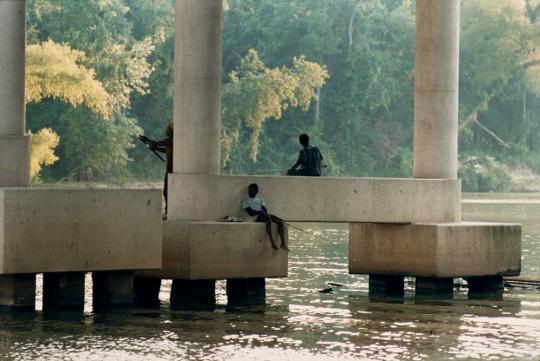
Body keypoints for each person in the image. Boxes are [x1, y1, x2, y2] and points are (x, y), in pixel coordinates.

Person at [138, 122, 173, 215]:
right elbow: (162, 149)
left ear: (170, 131)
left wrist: (147, 140)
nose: (165, 130)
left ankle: (168, 210)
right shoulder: (170, 143)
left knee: (167, 192)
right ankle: (167, 210)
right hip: (169, 171)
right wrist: (153, 146)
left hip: (171, 171)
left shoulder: (170, 141)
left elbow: (158, 143)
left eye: (167, 129)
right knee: (166, 192)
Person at [243, 183, 289, 251]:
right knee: (268, 220)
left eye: (252, 190)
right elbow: (250, 212)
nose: (250, 192)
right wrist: (259, 212)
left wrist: (265, 213)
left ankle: (282, 243)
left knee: (280, 221)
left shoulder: (260, 199)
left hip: (263, 215)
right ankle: (272, 242)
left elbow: (263, 208)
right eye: (249, 190)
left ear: (256, 192)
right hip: (256, 217)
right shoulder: (246, 200)